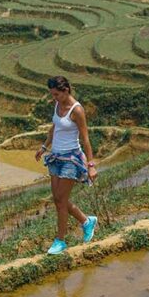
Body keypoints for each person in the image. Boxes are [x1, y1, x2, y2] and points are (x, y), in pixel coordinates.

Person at [35, 76, 98, 255]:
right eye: (52, 95)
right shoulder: (57, 105)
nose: (54, 98)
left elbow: (85, 139)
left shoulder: (77, 110)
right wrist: (43, 146)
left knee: (61, 201)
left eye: (56, 94)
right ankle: (87, 221)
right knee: (57, 200)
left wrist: (91, 165)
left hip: (71, 158)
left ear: (66, 91)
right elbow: (55, 127)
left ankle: (60, 241)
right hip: (56, 157)